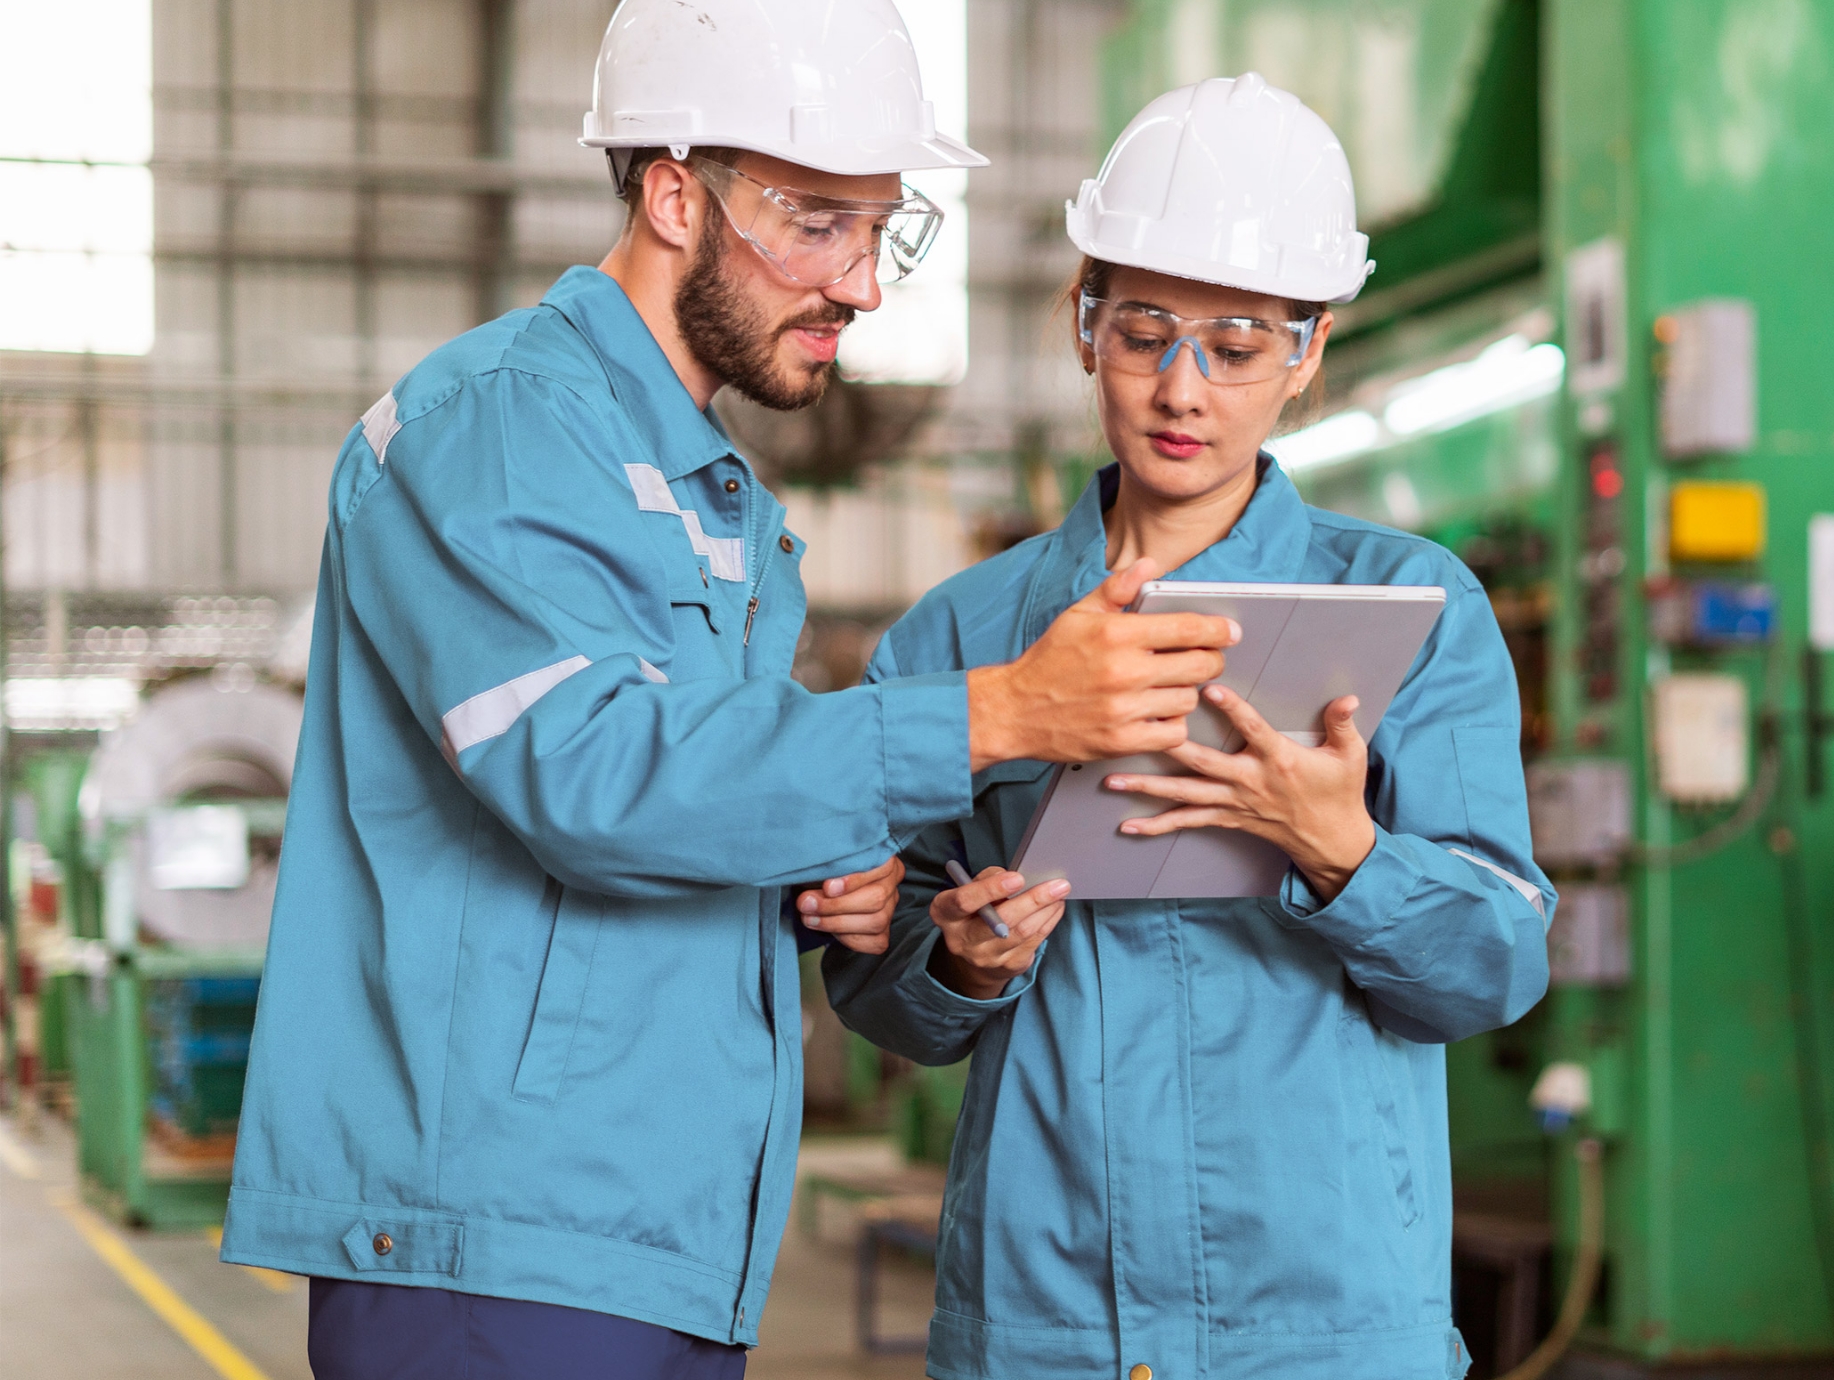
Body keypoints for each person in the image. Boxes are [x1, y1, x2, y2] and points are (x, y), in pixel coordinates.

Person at [218, 4, 1240, 1376]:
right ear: (672, 196)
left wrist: (822, 889)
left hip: (664, 1229)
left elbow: (689, 799)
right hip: (497, 1233)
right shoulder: (499, 429)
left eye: (882, 230)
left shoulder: (724, 509)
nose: (863, 285)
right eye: (818, 224)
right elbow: (585, 774)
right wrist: (999, 715)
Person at [826, 73, 1555, 1380]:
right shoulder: (959, 637)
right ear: (1084, 324)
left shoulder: (1410, 608)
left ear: (1307, 354)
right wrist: (966, 964)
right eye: (1145, 333)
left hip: (1324, 1324)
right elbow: (879, 987)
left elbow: (1493, 967)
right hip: (1050, 1321)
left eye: (1235, 348)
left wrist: (1348, 855)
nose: (1181, 387)